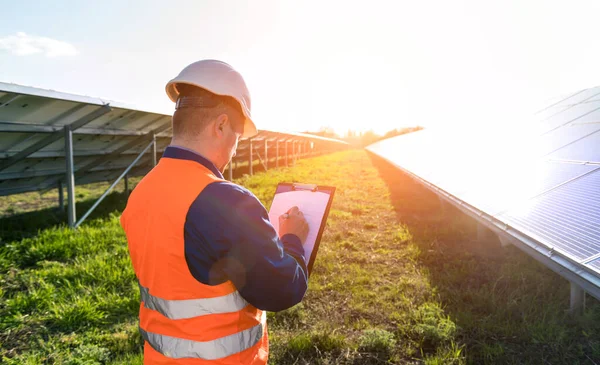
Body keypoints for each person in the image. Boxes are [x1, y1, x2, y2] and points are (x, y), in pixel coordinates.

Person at [120, 59, 310, 364]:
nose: (235, 148)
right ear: (221, 125)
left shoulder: (142, 193)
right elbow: (282, 289)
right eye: (235, 135)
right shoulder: (223, 200)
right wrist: (292, 240)